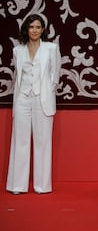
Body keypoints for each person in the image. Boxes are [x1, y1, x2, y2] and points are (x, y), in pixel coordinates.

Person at [6, 14, 61, 194]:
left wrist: (47, 92)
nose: (35, 30)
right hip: (22, 98)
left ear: (42, 29)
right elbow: (18, 75)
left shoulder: (51, 48)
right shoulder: (18, 51)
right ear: (26, 29)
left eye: (38, 27)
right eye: (31, 27)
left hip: (42, 98)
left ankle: (42, 185)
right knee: (20, 141)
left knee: (42, 141)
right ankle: (17, 185)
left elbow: (55, 76)